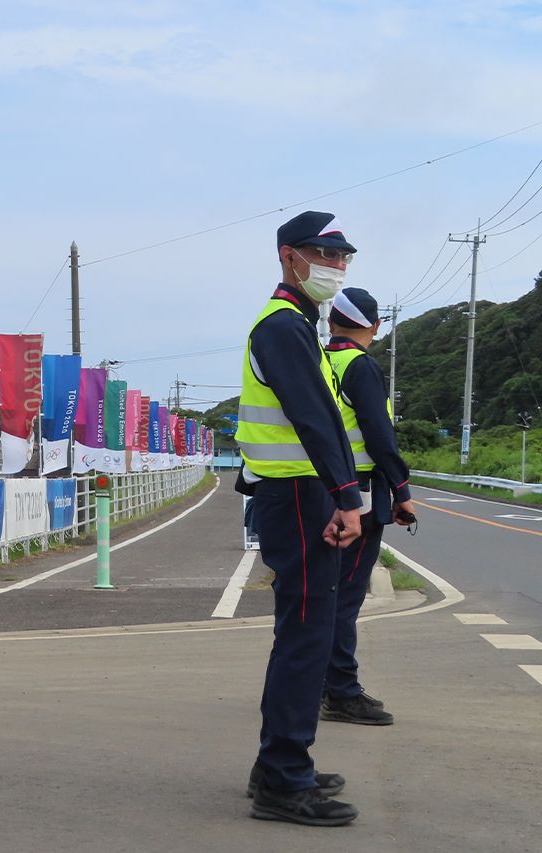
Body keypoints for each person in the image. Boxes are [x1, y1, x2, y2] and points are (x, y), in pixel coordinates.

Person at [236, 210, 365, 827]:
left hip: (297, 494)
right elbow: (314, 417)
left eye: (343, 257)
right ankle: (285, 778)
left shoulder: (297, 325)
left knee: (302, 632)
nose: (335, 266)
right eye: (324, 254)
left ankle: (278, 766)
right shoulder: (284, 327)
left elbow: (318, 419)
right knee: (308, 634)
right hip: (297, 496)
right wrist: (348, 497)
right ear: (289, 256)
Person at [322, 287, 418, 725]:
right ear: (375, 327)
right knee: (344, 597)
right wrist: (401, 491)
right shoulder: (360, 366)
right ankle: (341, 691)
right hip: (356, 495)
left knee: (321, 593)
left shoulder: (319, 362)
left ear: (331, 322)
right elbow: (379, 435)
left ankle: (314, 685)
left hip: (313, 490)